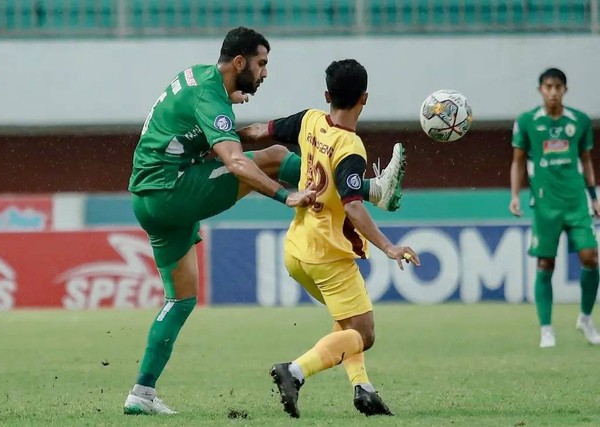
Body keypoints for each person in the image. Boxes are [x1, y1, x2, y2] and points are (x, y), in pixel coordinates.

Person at [124, 28, 406, 415]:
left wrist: (229, 105)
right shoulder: (212, 98)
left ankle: (141, 393)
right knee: (272, 155)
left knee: (181, 299)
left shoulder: (200, 79)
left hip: (147, 198)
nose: (265, 73)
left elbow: (193, 128)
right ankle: (371, 189)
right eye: (261, 64)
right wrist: (283, 194)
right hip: (173, 192)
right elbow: (236, 162)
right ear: (239, 62)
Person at [240, 59, 420, 418]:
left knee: (346, 323)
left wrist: (220, 137)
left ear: (327, 95)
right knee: (364, 333)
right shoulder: (350, 146)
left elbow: (261, 130)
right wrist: (389, 246)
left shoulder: (310, 119)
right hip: (330, 255)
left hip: (297, 249)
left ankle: (363, 389)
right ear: (364, 98)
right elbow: (353, 207)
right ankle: (294, 371)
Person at [510, 67, 600, 348]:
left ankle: (585, 319)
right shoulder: (527, 122)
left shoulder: (580, 121)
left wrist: (593, 195)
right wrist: (515, 195)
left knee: (590, 257)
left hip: (576, 202)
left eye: (558, 87)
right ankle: (546, 329)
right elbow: (518, 161)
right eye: (548, 86)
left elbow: (585, 160)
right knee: (545, 263)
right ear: (541, 90)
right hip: (545, 204)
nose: (553, 92)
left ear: (565, 90)